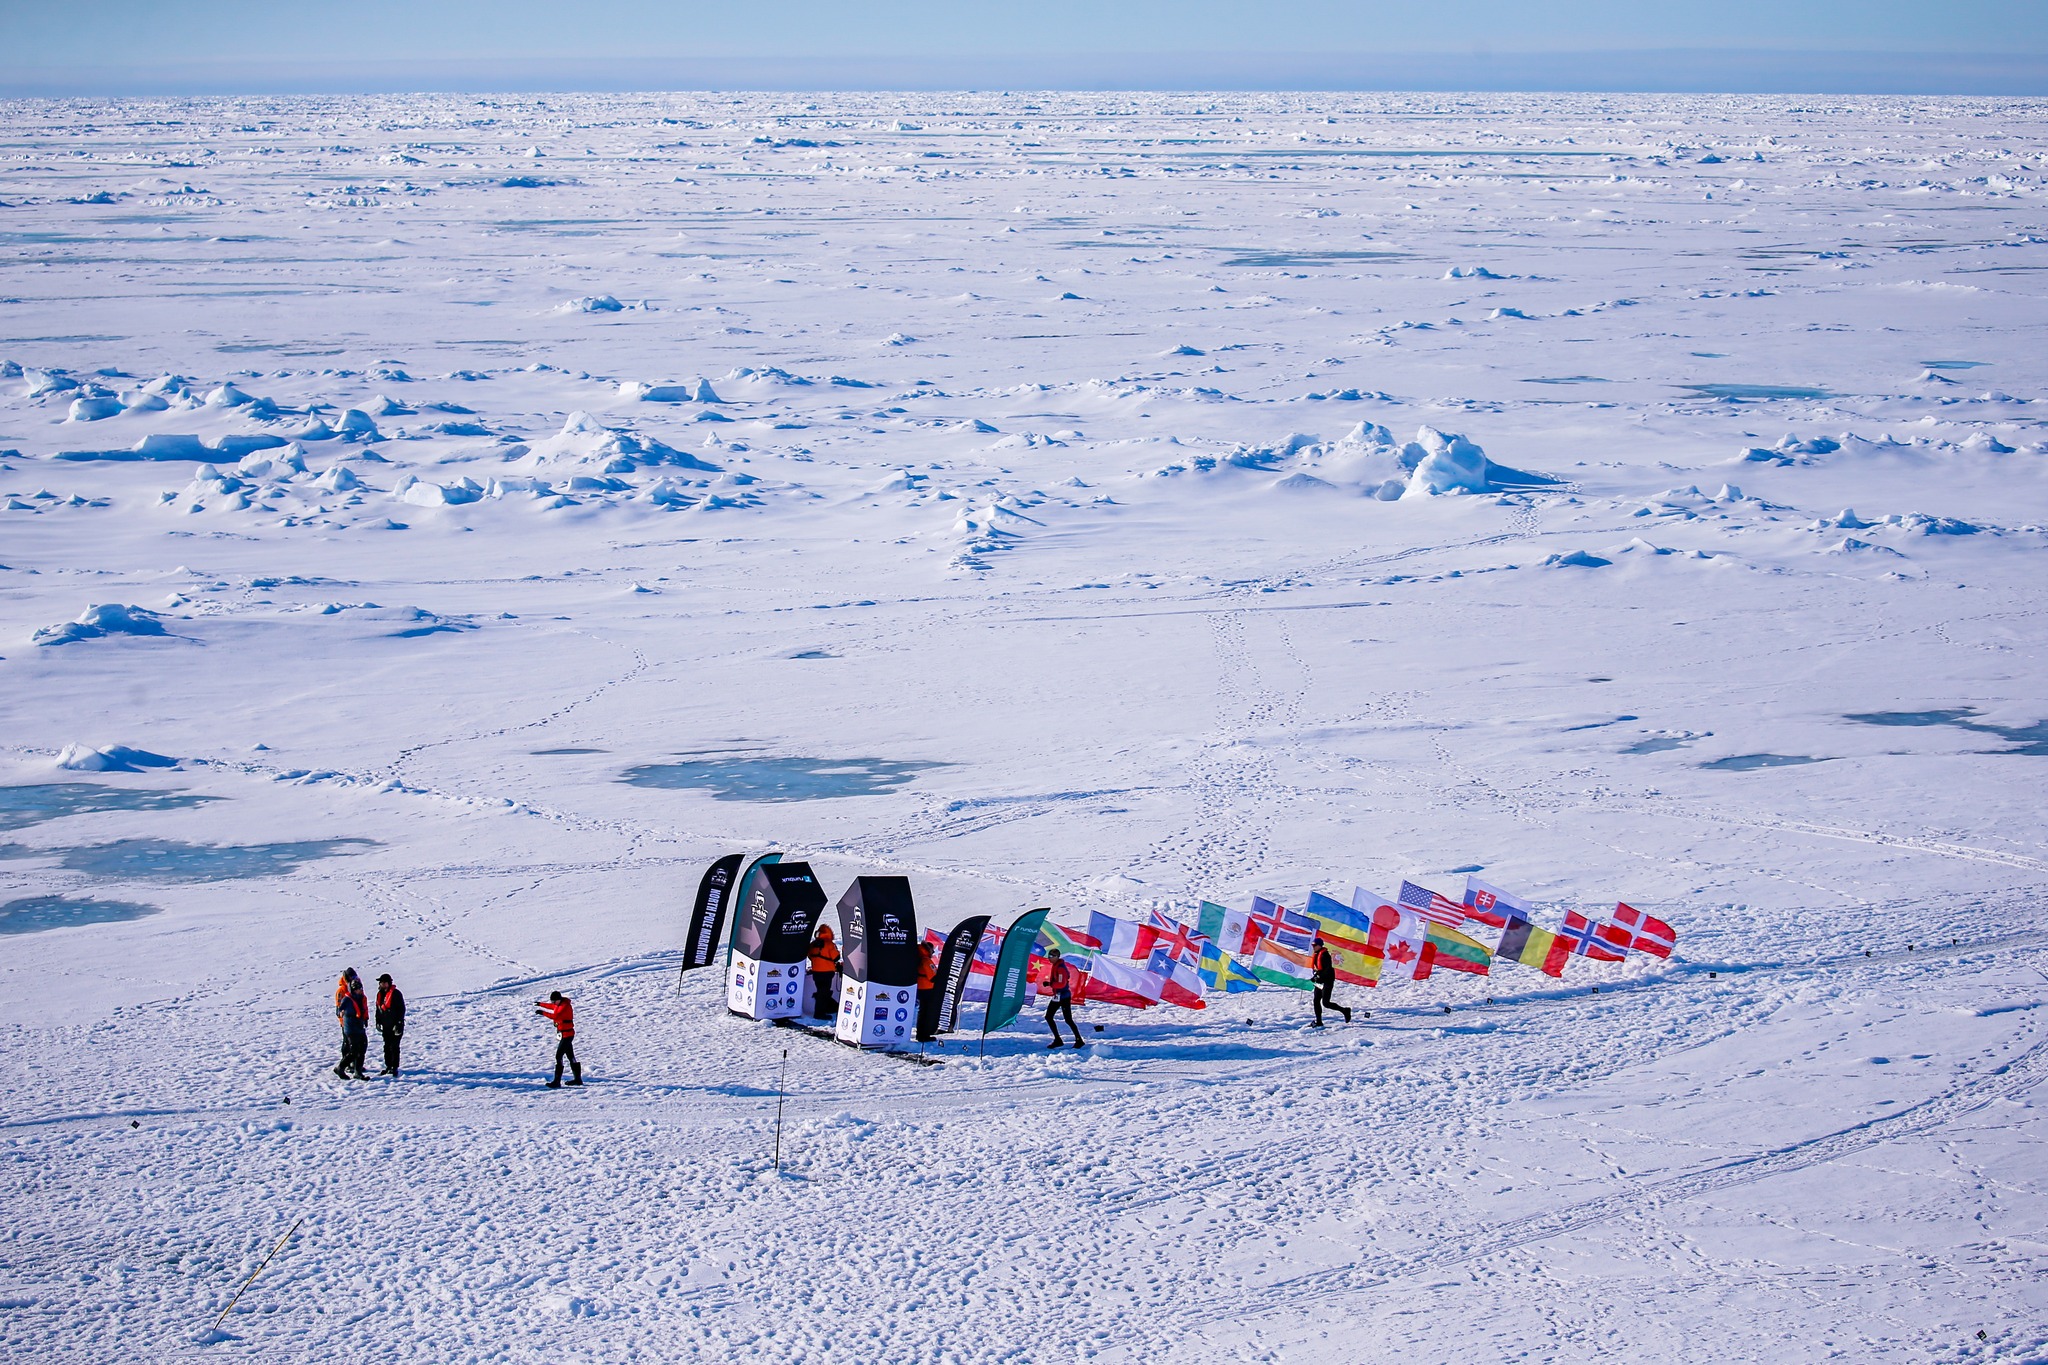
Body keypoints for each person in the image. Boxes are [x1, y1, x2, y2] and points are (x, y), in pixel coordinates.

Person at [535, 990, 581, 1088]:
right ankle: (577, 1079)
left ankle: (557, 1081)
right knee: (570, 1056)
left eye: (554, 1001)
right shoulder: (558, 1004)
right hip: (564, 1034)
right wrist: (540, 1004)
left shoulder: (565, 1006)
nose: (553, 1003)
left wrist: (542, 1012)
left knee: (558, 1056)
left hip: (567, 1035)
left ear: (559, 999)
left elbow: (555, 1016)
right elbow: (551, 1007)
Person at [1042, 948, 1086, 1050]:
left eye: (1052, 956)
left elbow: (1061, 983)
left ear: (1057, 957)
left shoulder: (1060, 968)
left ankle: (1079, 1040)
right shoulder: (1056, 966)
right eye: (1049, 956)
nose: (1050, 958)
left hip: (1063, 996)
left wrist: (1050, 984)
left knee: (1068, 1019)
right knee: (1049, 1017)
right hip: (1058, 996)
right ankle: (1058, 1039)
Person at [332, 967, 368, 1079]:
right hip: (349, 1025)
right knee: (351, 1047)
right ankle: (344, 1066)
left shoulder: (359, 995)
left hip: (359, 1025)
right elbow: (339, 1009)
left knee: (362, 1047)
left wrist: (365, 1019)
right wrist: (343, 1020)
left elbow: (363, 1008)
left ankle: (357, 1069)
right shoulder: (344, 993)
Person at [1310, 937, 1351, 1027]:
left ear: (1320, 946)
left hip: (1327, 982)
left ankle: (1345, 1010)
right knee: (1316, 1001)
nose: (1313, 947)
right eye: (1312, 945)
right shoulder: (1317, 954)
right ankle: (1319, 1022)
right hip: (1320, 982)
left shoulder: (1325, 955)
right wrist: (1315, 977)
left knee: (1326, 1003)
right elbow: (1318, 969)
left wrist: (1320, 977)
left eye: (1315, 945)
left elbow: (1327, 970)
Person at [374, 973, 406, 1076]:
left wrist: (399, 1023)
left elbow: (401, 1009)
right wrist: (378, 1021)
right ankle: (388, 1066)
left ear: (389, 983)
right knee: (387, 1046)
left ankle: (394, 1067)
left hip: (395, 1025)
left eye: (384, 982)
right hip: (386, 1025)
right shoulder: (379, 994)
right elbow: (378, 1010)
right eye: (381, 982)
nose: (382, 984)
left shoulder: (396, 994)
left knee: (394, 1046)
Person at [806, 925, 840, 1020]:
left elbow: (810, 955)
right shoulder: (829, 944)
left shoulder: (813, 944)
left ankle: (827, 1008)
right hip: (827, 972)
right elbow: (836, 957)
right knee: (824, 992)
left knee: (822, 991)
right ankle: (820, 1013)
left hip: (816, 972)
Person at [914, 940, 940, 1043]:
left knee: (923, 1012)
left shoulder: (920, 958)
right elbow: (933, 977)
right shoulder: (926, 960)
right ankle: (923, 1035)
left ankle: (922, 1034)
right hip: (927, 989)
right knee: (925, 1013)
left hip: (921, 988)